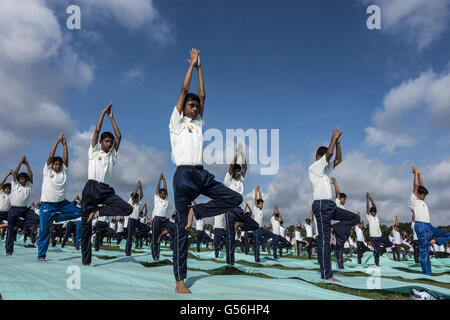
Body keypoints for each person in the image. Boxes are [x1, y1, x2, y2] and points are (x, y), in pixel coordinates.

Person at [169, 49, 256, 293]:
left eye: (197, 106)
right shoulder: (176, 123)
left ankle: (195, 211)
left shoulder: (198, 124)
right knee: (181, 232)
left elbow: (203, 94)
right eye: (191, 105)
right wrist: (191, 67)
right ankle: (179, 281)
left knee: (234, 197)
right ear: (183, 108)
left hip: (201, 174)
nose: (195, 108)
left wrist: (200, 68)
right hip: (183, 175)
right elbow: (184, 91)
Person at [79, 103, 133, 266]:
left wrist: (112, 118)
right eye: (106, 141)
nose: (109, 144)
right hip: (91, 188)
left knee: (128, 209)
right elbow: (96, 131)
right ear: (101, 142)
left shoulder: (112, 156)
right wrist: (102, 113)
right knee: (85, 227)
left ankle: (98, 211)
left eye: (111, 142)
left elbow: (119, 136)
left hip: (105, 190)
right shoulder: (94, 152)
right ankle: (86, 261)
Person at [308, 128, 359, 281]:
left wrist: (338, 143)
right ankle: (327, 275)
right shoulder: (315, 167)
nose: (327, 160)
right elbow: (329, 155)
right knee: (324, 241)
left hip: (330, 206)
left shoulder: (326, 170)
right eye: (324, 157)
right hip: (321, 205)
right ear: (318, 157)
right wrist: (333, 138)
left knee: (354, 218)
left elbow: (338, 159)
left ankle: (334, 229)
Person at [409, 166, 450, 275]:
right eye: (424, 195)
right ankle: (427, 274)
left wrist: (420, 174)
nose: (425, 197)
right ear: (418, 194)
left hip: (428, 226)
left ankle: (433, 241)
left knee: (447, 234)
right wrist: (415, 173)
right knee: (424, 252)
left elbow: (422, 186)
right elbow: (417, 186)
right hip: (421, 226)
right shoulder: (414, 200)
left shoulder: (421, 200)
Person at [5, 156, 33, 256]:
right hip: (13, 209)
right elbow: (15, 173)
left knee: (35, 218)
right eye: (21, 178)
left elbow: (30, 174)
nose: (23, 180)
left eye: (24, 179)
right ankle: (9, 250)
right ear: (18, 179)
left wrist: (27, 164)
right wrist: (21, 162)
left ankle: (20, 225)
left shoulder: (29, 186)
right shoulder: (15, 184)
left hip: (24, 210)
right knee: (11, 231)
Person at [366, 192, 393, 266]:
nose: (374, 214)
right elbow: (368, 208)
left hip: (380, 236)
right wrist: (367, 199)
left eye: (375, 212)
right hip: (373, 237)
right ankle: (376, 262)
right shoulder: (369, 217)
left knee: (390, 243)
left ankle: (382, 248)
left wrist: (371, 198)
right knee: (376, 250)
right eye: (373, 213)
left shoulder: (376, 217)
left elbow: (374, 206)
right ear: (370, 213)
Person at [151, 174, 170, 261]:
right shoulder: (157, 198)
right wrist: (160, 180)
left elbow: (166, 189)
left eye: (165, 194)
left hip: (163, 219)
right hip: (157, 219)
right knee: (155, 238)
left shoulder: (166, 200)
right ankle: (156, 256)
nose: (164, 195)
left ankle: (157, 255)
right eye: (163, 194)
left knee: (160, 237)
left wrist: (164, 180)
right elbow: (158, 189)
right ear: (159, 194)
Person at [125, 180, 143, 256]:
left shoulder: (138, 203)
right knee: (129, 237)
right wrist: (137, 187)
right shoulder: (130, 201)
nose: (136, 199)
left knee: (144, 230)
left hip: (137, 221)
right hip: (131, 220)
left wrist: (141, 187)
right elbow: (133, 195)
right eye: (135, 198)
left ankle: (138, 244)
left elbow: (141, 196)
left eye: (137, 198)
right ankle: (128, 252)